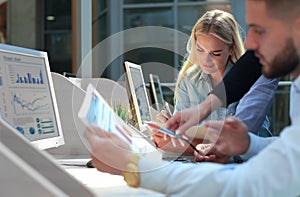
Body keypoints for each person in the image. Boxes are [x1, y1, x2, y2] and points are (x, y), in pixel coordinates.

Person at [85, 0, 300, 196]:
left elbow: (251, 184)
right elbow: (290, 155)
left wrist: (135, 167)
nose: (250, 43)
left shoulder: (268, 71)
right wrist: (247, 143)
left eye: (259, 30)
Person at [153, 10, 275, 156]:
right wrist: (169, 126)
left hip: (249, 163)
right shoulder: (190, 80)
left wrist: (188, 146)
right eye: (200, 50)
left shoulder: (256, 75)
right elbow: (182, 135)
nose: (206, 60)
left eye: (215, 53)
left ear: (232, 48)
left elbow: (239, 141)